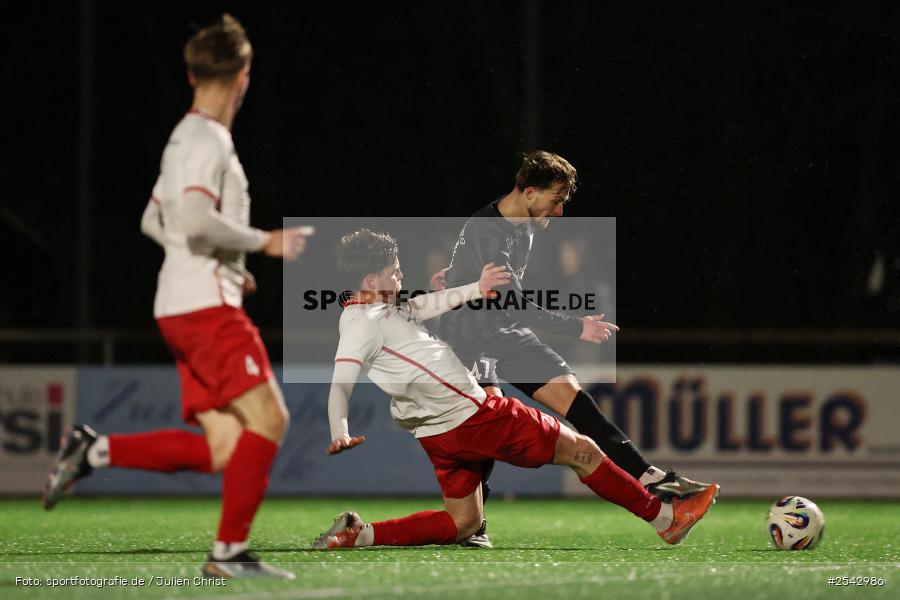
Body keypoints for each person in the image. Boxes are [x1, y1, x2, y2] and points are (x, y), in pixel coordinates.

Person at [42, 14, 305, 579]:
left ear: (192, 75)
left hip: (179, 303)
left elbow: (153, 219)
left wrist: (224, 261)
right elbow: (192, 218)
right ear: (243, 76)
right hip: (205, 309)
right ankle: (229, 554)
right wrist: (263, 243)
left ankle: (94, 452)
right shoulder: (209, 139)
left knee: (223, 449)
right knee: (271, 419)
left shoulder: (181, 138)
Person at [309, 229, 718, 551]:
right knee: (584, 451)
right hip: (472, 416)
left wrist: (476, 287)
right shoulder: (361, 323)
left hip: (439, 434)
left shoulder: (382, 309)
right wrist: (338, 430)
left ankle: (358, 535)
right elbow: (340, 382)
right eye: (394, 271)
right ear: (369, 280)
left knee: (463, 523)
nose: (401, 276)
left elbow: (427, 305)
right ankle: (665, 519)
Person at [433, 150, 715, 547]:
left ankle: (653, 478)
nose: (561, 211)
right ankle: (474, 526)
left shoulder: (527, 221)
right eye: (557, 198)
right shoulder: (489, 230)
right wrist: (576, 326)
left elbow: (489, 285)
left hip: (506, 332)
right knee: (488, 432)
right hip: (470, 337)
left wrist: (456, 274)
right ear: (529, 191)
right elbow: (510, 300)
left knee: (579, 404)